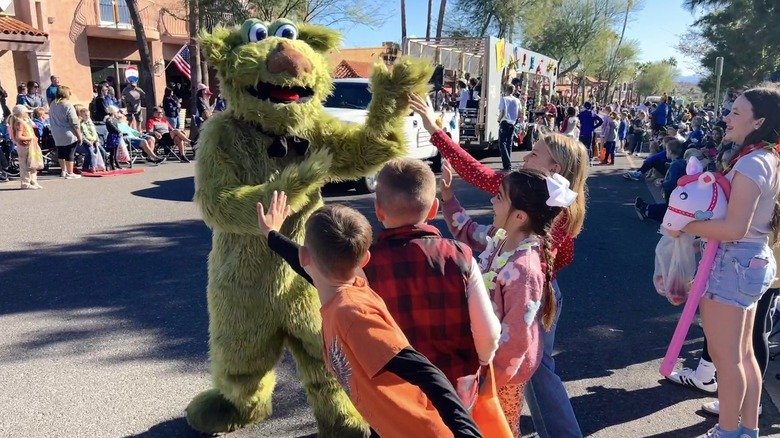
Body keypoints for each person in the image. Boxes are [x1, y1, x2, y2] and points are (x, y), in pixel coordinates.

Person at [410, 92, 587, 437]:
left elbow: (473, 171)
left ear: (554, 170)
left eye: (534, 153)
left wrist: (435, 130)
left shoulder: (528, 246)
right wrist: (449, 199)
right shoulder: (525, 219)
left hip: (525, 301)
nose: (526, 156)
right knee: (530, 375)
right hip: (528, 299)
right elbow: (480, 234)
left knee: (523, 381)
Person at [256, 197, 483, 438]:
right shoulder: (347, 290)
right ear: (364, 260)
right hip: (389, 427)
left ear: (305, 257)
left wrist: (468, 434)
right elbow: (309, 268)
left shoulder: (352, 315)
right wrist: (272, 235)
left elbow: (427, 373)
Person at [665, 87, 780, 438]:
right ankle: (747, 429)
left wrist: (683, 225)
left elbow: (734, 228)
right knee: (743, 354)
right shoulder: (765, 158)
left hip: (734, 261)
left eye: (735, 112)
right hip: (749, 261)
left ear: (758, 121)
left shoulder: (751, 162)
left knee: (726, 358)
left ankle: (728, 431)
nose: (727, 117)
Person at [442, 165, 578, 438]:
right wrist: (448, 197)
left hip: (501, 376)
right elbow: (467, 231)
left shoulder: (524, 269)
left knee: (497, 429)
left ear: (519, 215)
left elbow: (517, 338)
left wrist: (486, 380)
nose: (492, 201)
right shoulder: (501, 238)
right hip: (487, 364)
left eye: (499, 197)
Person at [633, 137, 686, 222]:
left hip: (672, 191)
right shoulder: (680, 162)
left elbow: (673, 182)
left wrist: (663, 184)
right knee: (669, 207)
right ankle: (646, 208)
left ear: (670, 152)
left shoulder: (675, 165)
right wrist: (663, 180)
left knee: (669, 209)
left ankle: (646, 210)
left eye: (667, 150)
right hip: (677, 191)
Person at [48, 86, 82, 179]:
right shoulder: (68, 105)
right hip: (67, 131)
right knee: (70, 152)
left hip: (55, 131)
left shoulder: (53, 104)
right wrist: (79, 135)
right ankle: (70, 172)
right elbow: (74, 122)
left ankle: (63, 170)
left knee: (61, 151)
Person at [6, 105, 42, 189]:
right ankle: (25, 183)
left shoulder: (24, 121)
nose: (27, 114)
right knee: (25, 165)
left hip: (29, 145)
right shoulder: (19, 123)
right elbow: (18, 137)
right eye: (26, 113)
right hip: (24, 146)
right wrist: (31, 138)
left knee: (33, 163)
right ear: (21, 113)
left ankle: (33, 181)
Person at [74, 104, 106, 172]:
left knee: (103, 152)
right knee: (91, 152)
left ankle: (102, 165)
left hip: (94, 141)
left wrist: (97, 140)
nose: (87, 117)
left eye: (88, 115)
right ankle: (92, 167)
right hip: (86, 142)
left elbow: (95, 133)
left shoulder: (91, 123)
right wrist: (87, 141)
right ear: (81, 116)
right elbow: (81, 135)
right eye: (85, 115)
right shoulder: (81, 124)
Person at [498, 84, 522, 170]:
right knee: (509, 143)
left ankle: (507, 164)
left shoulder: (504, 99)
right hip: (513, 123)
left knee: (502, 143)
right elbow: (520, 113)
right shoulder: (517, 100)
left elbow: (502, 111)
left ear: (506, 90)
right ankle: (507, 163)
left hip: (505, 122)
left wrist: (498, 119)